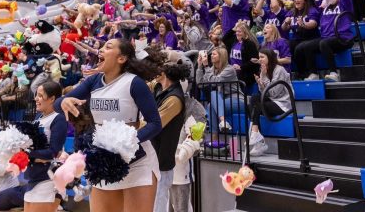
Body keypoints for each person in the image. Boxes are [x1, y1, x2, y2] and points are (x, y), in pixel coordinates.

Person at [56, 38, 162, 212]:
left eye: (108, 47)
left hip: (137, 161)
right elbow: (58, 103)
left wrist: (126, 144)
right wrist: (64, 102)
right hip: (104, 161)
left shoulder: (134, 83)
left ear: (121, 58)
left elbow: (155, 124)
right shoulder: (94, 81)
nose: (101, 50)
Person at [293, 0, 355, 81]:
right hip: (327, 37)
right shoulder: (324, 7)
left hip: (342, 37)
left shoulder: (344, 4)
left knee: (323, 43)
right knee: (306, 46)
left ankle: (334, 72)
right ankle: (313, 74)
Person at [151, 61, 190, 212]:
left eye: (159, 68)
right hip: (153, 157)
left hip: (162, 159)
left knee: (158, 204)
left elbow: (155, 124)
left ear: (165, 74)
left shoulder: (174, 98)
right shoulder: (159, 88)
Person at [24, 81, 67, 212]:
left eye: (40, 96)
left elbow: (53, 152)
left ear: (52, 98)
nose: (36, 99)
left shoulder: (58, 118)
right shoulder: (38, 117)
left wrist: (26, 153)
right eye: (36, 95)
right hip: (33, 175)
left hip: (48, 178)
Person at [248, 49, 291, 156]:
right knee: (253, 99)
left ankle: (257, 138)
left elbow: (274, 93)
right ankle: (257, 135)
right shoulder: (264, 69)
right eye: (259, 57)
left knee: (255, 105)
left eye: (262, 57)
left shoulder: (279, 70)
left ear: (270, 58)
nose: (260, 59)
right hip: (272, 100)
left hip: (282, 103)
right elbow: (264, 94)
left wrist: (264, 77)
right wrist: (261, 82)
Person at [196, 46, 238, 136]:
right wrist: (199, 66)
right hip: (222, 99)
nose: (211, 56)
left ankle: (220, 126)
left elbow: (215, 81)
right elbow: (200, 84)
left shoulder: (229, 69)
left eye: (214, 54)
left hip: (236, 99)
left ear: (221, 56)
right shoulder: (213, 70)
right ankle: (220, 128)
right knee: (211, 104)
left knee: (213, 100)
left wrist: (206, 66)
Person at [229, 21, 260, 89]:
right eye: (236, 31)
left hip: (245, 74)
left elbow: (254, 62)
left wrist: (241, 67)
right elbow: (224, 39)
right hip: (233, 71)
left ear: (245, 33)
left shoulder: (250, 44)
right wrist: (233, 29)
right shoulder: (235, 42)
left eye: (239, 31)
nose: (237, 33)